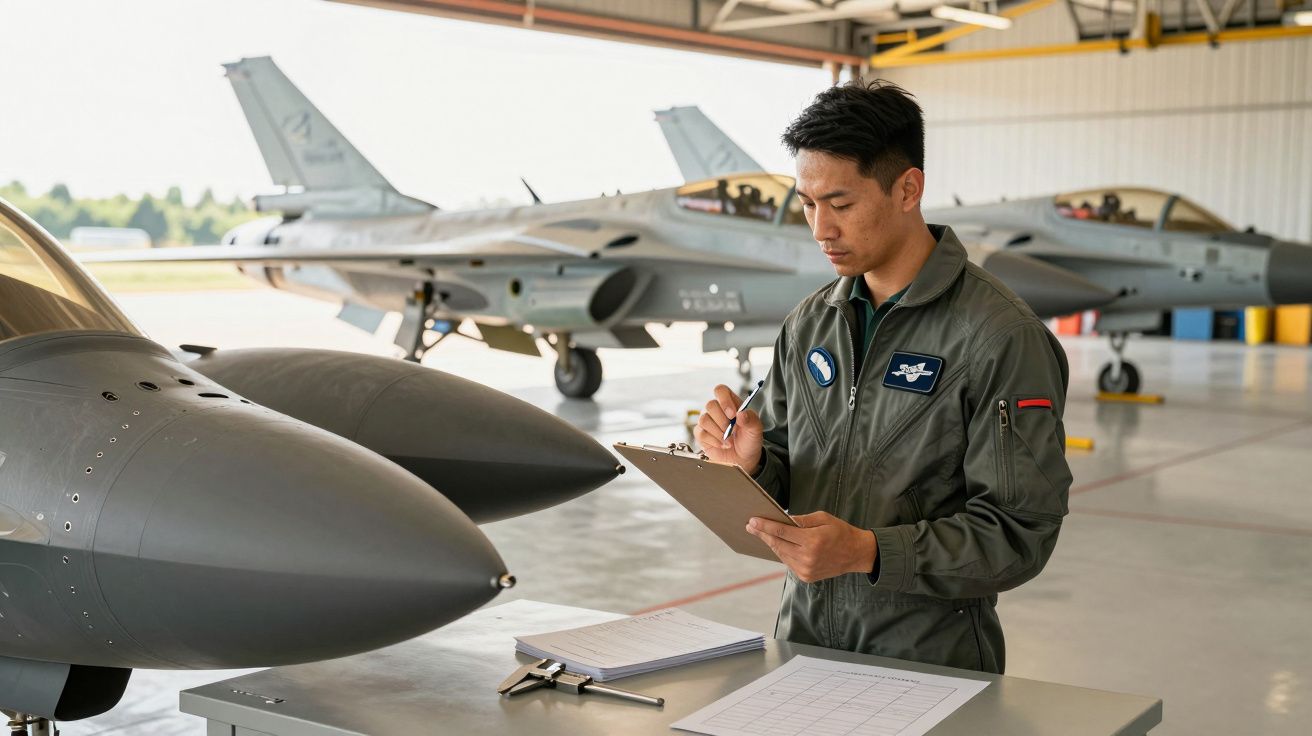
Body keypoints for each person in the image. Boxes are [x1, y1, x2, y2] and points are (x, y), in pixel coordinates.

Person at [693, 80, 1072, 674]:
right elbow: (796, 477)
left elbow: (1019, 533)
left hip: (932, 666)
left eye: (841, 205)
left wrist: (869, 552)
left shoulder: (998, 336)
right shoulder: (809, 325)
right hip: (802, 647)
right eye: (808, 204)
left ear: (908, 189)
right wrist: (753, 467)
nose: (820, 229)